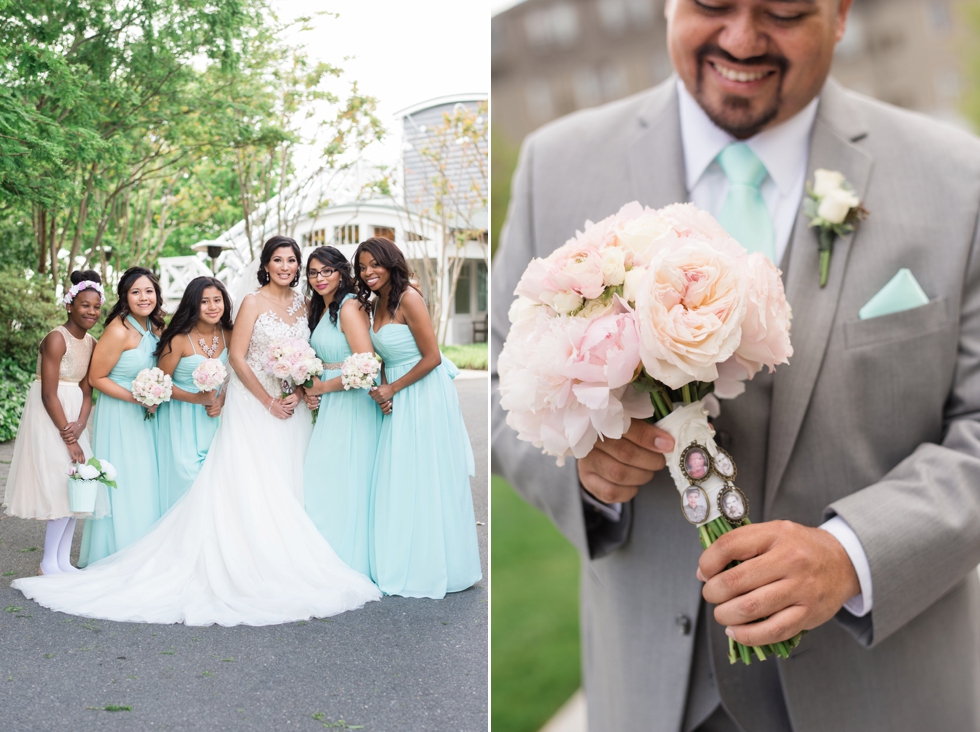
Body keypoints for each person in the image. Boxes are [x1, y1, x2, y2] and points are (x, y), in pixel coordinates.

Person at [491, 1, 980, 730]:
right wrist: (589, 475)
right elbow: (505, 392)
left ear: (841, 13)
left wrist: (854, 555)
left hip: (882, 692)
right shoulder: (553, 164)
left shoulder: (959, 179)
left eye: (783, 10)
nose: (741, 39)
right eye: (712, 4)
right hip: (651, 696)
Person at [12, 236, 381, 626]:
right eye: (279, 260)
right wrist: (268, 401)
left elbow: (301, 358)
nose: (286, 267)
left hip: (291, 407)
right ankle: (252, 560)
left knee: (291, 481)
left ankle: (288, 552)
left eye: (293, 261)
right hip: (255, 406)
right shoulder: (252, 302)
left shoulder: (303, 305)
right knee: (251, 483)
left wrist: (296, 389)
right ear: (266, 264)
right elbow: (239, 359)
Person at [356, 237, 482, 598]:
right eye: (362, 267)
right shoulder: (377, 302)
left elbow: (433, 357)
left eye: (373, 265)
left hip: (424, 392)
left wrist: (393, 389)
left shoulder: (408, 297)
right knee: (401, 472)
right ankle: (404, 558)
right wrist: (381, 387)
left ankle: (439, 564)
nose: (368, 273)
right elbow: (381, 356)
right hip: (395, 389)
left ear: (390, 262)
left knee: (426, 471)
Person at [2, 270, 103, 574]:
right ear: (69, 305)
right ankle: (48, 561)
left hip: (75, 417)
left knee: (77, 484)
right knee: (60, 484)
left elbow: (88, 391)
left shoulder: (93, 342)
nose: (91, 312)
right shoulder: (56, 339)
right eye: (85, 305)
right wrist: (68, 437)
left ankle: (62, 561)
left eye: (96, 307)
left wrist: (81, 425)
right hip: (52, 415)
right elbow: (48, 394)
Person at [301, 246, 387, 576]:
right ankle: (328, 553)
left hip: (350, 404)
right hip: (329, 403)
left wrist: (323, 386)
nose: (320, 278)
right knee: (327, 478)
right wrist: (310, 382)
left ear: (341, 272)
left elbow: (366, 365)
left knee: (342, 476)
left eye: (327, 271)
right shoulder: (319, 309)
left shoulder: (349, 307)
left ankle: (347, 559)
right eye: (313, 273)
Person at [79, 267, 164, 567]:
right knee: (127, 477)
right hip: (121, 413)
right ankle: (119, 551)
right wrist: (137, 397)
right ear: (126, 297)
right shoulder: (118, 329)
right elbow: (95, 377)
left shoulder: (156, 327)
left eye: (149, 291)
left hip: (150, 413)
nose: (144, 297)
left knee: (148, 478)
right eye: (136, 292)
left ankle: (148, 548)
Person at [154, 276, 232, 513]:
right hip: (182, 421)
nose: (212, 307)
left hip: (217, 420)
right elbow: (159, 383)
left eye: (217, 300)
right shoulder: (178, 339)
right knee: (189, 481)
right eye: (204, 301)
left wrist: (220, 399)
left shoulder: (229, 333)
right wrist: (197, 399)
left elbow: (234, 377)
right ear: (192, 304)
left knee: (217, 482)